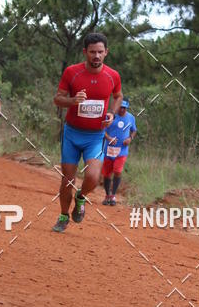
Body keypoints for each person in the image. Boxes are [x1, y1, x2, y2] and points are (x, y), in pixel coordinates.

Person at [52, 31, 123, 232]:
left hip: (96, 136)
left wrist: (112, 114)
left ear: (106, 52)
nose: (96, 56)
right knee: (68, 179)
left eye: (100, 52)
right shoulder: (72, 72)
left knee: (92, 177)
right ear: (85, 52)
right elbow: (58, 99)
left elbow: (118, 96)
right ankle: (64, 215)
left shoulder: (112, 75)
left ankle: (80, 197)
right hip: (72, 134)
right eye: (92, 52)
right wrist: (72, 101)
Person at [102, 99, 137, 205]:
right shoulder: (109, 116)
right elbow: (102, 130)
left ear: (127, 108)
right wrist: (109, 139)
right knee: (107, 174)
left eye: (124, 108)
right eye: (120, 107)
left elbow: (134, 130)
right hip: (108, 150)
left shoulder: (131, 117)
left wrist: (130, 138)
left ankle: (113, 196)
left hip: (122, 151)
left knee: (117, 171)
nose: (121, 109)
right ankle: (107, 195)